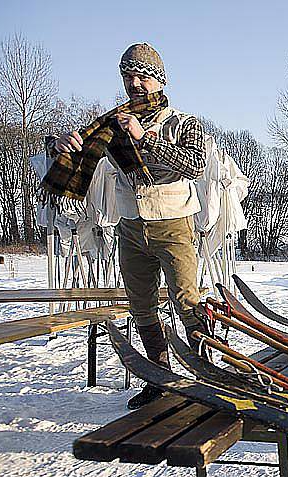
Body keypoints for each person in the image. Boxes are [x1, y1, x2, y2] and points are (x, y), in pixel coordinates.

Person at [54, 43, 208, 409]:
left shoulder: (184, 122)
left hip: (173, 225)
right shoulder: (112, 124)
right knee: (141, 304)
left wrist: (146, 138)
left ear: (158, 80)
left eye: (142, 76)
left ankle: (206, 377)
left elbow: (196, 166)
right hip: (130, 226)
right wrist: (62, 145)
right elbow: (79, 155)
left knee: (187, 301)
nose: (134, 84)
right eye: (128, 76)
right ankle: (159, 379)